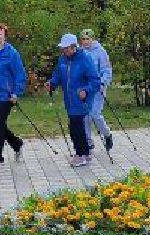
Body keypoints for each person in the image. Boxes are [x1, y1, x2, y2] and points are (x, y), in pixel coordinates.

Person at [49, 33, 102, 168]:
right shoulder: (62, 59)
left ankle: (80, 154)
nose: (64, 51)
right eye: (63, 48)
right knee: (76, 126)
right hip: (69, 99)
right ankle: (86, 153)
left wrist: (86, 90)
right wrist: (52, 83)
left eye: (66, 48)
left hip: (81, 98)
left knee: (75, 127)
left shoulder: (85, 58)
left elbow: (95, 81)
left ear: (74, 47)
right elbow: (57, 75)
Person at [0, 23, 26, 164]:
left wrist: (16, 92)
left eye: (0, 33)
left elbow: (20, 74)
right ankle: (17, 143)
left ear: (5, 36)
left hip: (6, 96)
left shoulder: (11, 53)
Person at [79, 29, 116, 152]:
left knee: (95, 114)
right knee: (85, 116)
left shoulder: (100, 51)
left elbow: (106, 70)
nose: (85, 41)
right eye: (83, 39)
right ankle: (88, 142)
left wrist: (103, 82)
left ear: (92, 39)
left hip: (98, 88)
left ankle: (107, 134)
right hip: (85, 89)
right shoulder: (79, 53)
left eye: (87, 39)